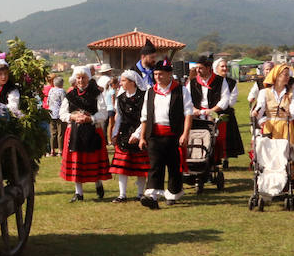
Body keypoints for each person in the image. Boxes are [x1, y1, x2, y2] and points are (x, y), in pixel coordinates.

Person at [137, 58, 193, 208]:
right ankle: (152, 196)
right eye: (155, 74)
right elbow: (144, 117)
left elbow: (188, 113)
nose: (158, 77)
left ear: (169, 74)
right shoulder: (150, 92)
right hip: (154, 134)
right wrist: (142, 137)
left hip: (174, 134)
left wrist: (185, 134)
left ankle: (172, 194)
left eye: (161, 74)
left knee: (174, 166)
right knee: (155, 165)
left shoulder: (181, 90)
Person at [58, 67, 110, 202]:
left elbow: (103, 113)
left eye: (84, 77)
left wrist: (90, 118)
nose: (81, 80)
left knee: (92, 159)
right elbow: (62, 114)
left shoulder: (96, 93)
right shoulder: (70, 95)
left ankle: (98, 182)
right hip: (75, 131)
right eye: (78, 78)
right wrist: (73, 117)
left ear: (88, 78)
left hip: (93, 129)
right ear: (75, 79)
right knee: (77, 161)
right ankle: (78, 193)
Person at [252, 63, 294, 193]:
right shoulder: (265, 92)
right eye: (284, 75)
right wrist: (258, 115)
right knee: (270, 155)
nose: (287, 77)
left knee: (286, 155)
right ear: (276, 76)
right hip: (270, 127)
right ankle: (269, 184)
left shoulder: (292, 93)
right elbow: (260, 108)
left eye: (288, 75)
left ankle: (287, 185)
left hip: (286, 126)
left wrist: (289, 114)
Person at [109, 69, 150, 202]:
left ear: (132, 82)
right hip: (124, 133)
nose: (120, 83)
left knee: (141, 166)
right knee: (122, 167)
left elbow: (146, 117)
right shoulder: (120, 98)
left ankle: (139, 194)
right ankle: (122, 194)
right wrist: (115, 133)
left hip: (140, 131)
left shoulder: (144, 96)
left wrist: (138, 134)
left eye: (123, 80)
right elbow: (119, 117)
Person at [211, 57, 246, 161]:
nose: (225, 68)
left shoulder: (231, 82)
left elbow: (231, 101)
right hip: (212, 112)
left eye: (226, 66)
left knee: (226, 137)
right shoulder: (212, 82)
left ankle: (225, 159)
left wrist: (221, 105)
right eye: (222, 66)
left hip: (226, 113)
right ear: (216, 68)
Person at [44, 76, 66, 156]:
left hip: (51, 113)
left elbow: (48, 101)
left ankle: (52, 150)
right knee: (60, 133)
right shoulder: (62, 91)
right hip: (59, 114)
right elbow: (64, 102)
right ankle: (60, 150)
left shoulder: (51, 90)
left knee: (53, 133)